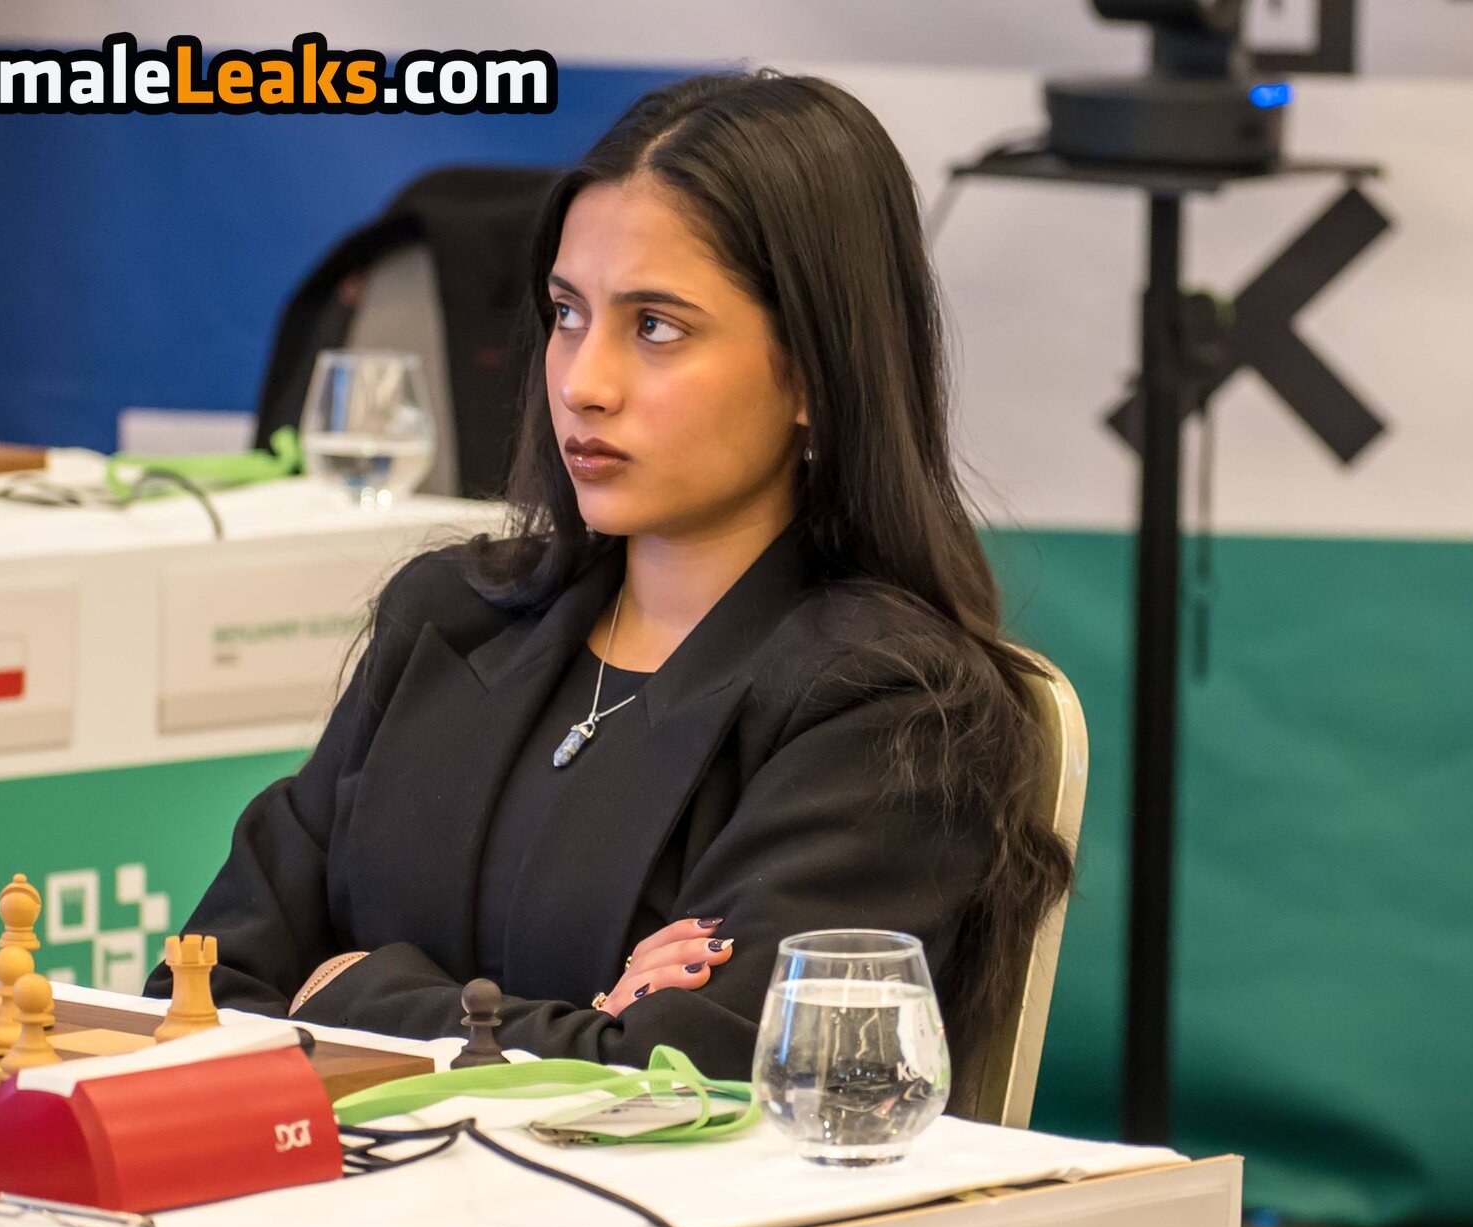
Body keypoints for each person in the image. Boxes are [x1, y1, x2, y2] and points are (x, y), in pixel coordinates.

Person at [146, 68, 1074, 1095]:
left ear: (814, 370)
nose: (583, 383)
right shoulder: (447, 617)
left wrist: (351, 991)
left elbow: (705, 1088)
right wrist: (586, 1025)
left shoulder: (888, 706)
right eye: (566, 313)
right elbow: (203, 992)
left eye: (657, 326)